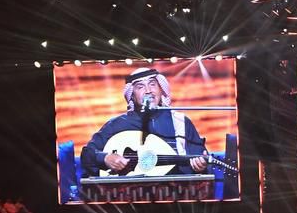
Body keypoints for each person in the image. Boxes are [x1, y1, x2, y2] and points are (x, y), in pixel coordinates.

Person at [80, 67, 209, 175]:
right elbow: (87, 154)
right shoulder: (116, 125)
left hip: (175, 190)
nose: (148, 91)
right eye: (140, 87)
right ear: (132, 95)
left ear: (161, 90)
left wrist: (200, 166)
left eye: (152, 84)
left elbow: (199, 158)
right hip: (131, 192)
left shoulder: (180, 122)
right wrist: (105, 158)